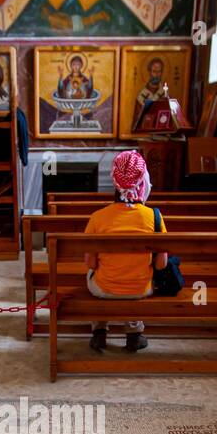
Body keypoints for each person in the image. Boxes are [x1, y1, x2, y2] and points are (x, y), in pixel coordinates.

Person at [82, 150, 169, 353]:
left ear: (115, 180)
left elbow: (91, 263)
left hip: (104, 290)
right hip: (140, 289)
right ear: (143, 180)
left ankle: (99, 332)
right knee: (137, 273)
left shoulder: (98, 217)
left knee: (97, 274)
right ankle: (134, 334)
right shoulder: (154, 217)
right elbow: (161, 265)